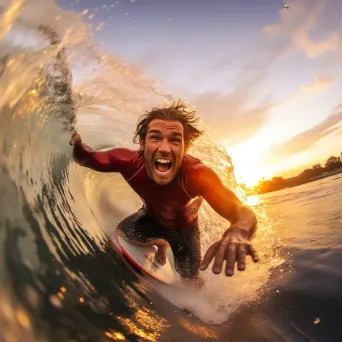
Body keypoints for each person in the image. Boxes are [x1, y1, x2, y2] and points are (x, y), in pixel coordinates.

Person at [70, 100, 259, 287]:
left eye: (175, 140)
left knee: (190, 282)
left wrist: (239, 231)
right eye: (155, 137)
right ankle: (161, 242)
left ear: (185, 148)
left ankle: (165, 244)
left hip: (185, 233)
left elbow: (239, 210)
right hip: (148, 218)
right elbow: (88, 158)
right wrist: (77, 145)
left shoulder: (196, 174)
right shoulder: (128, 162)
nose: (164, 148)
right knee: (121, 233)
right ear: (142, 143)